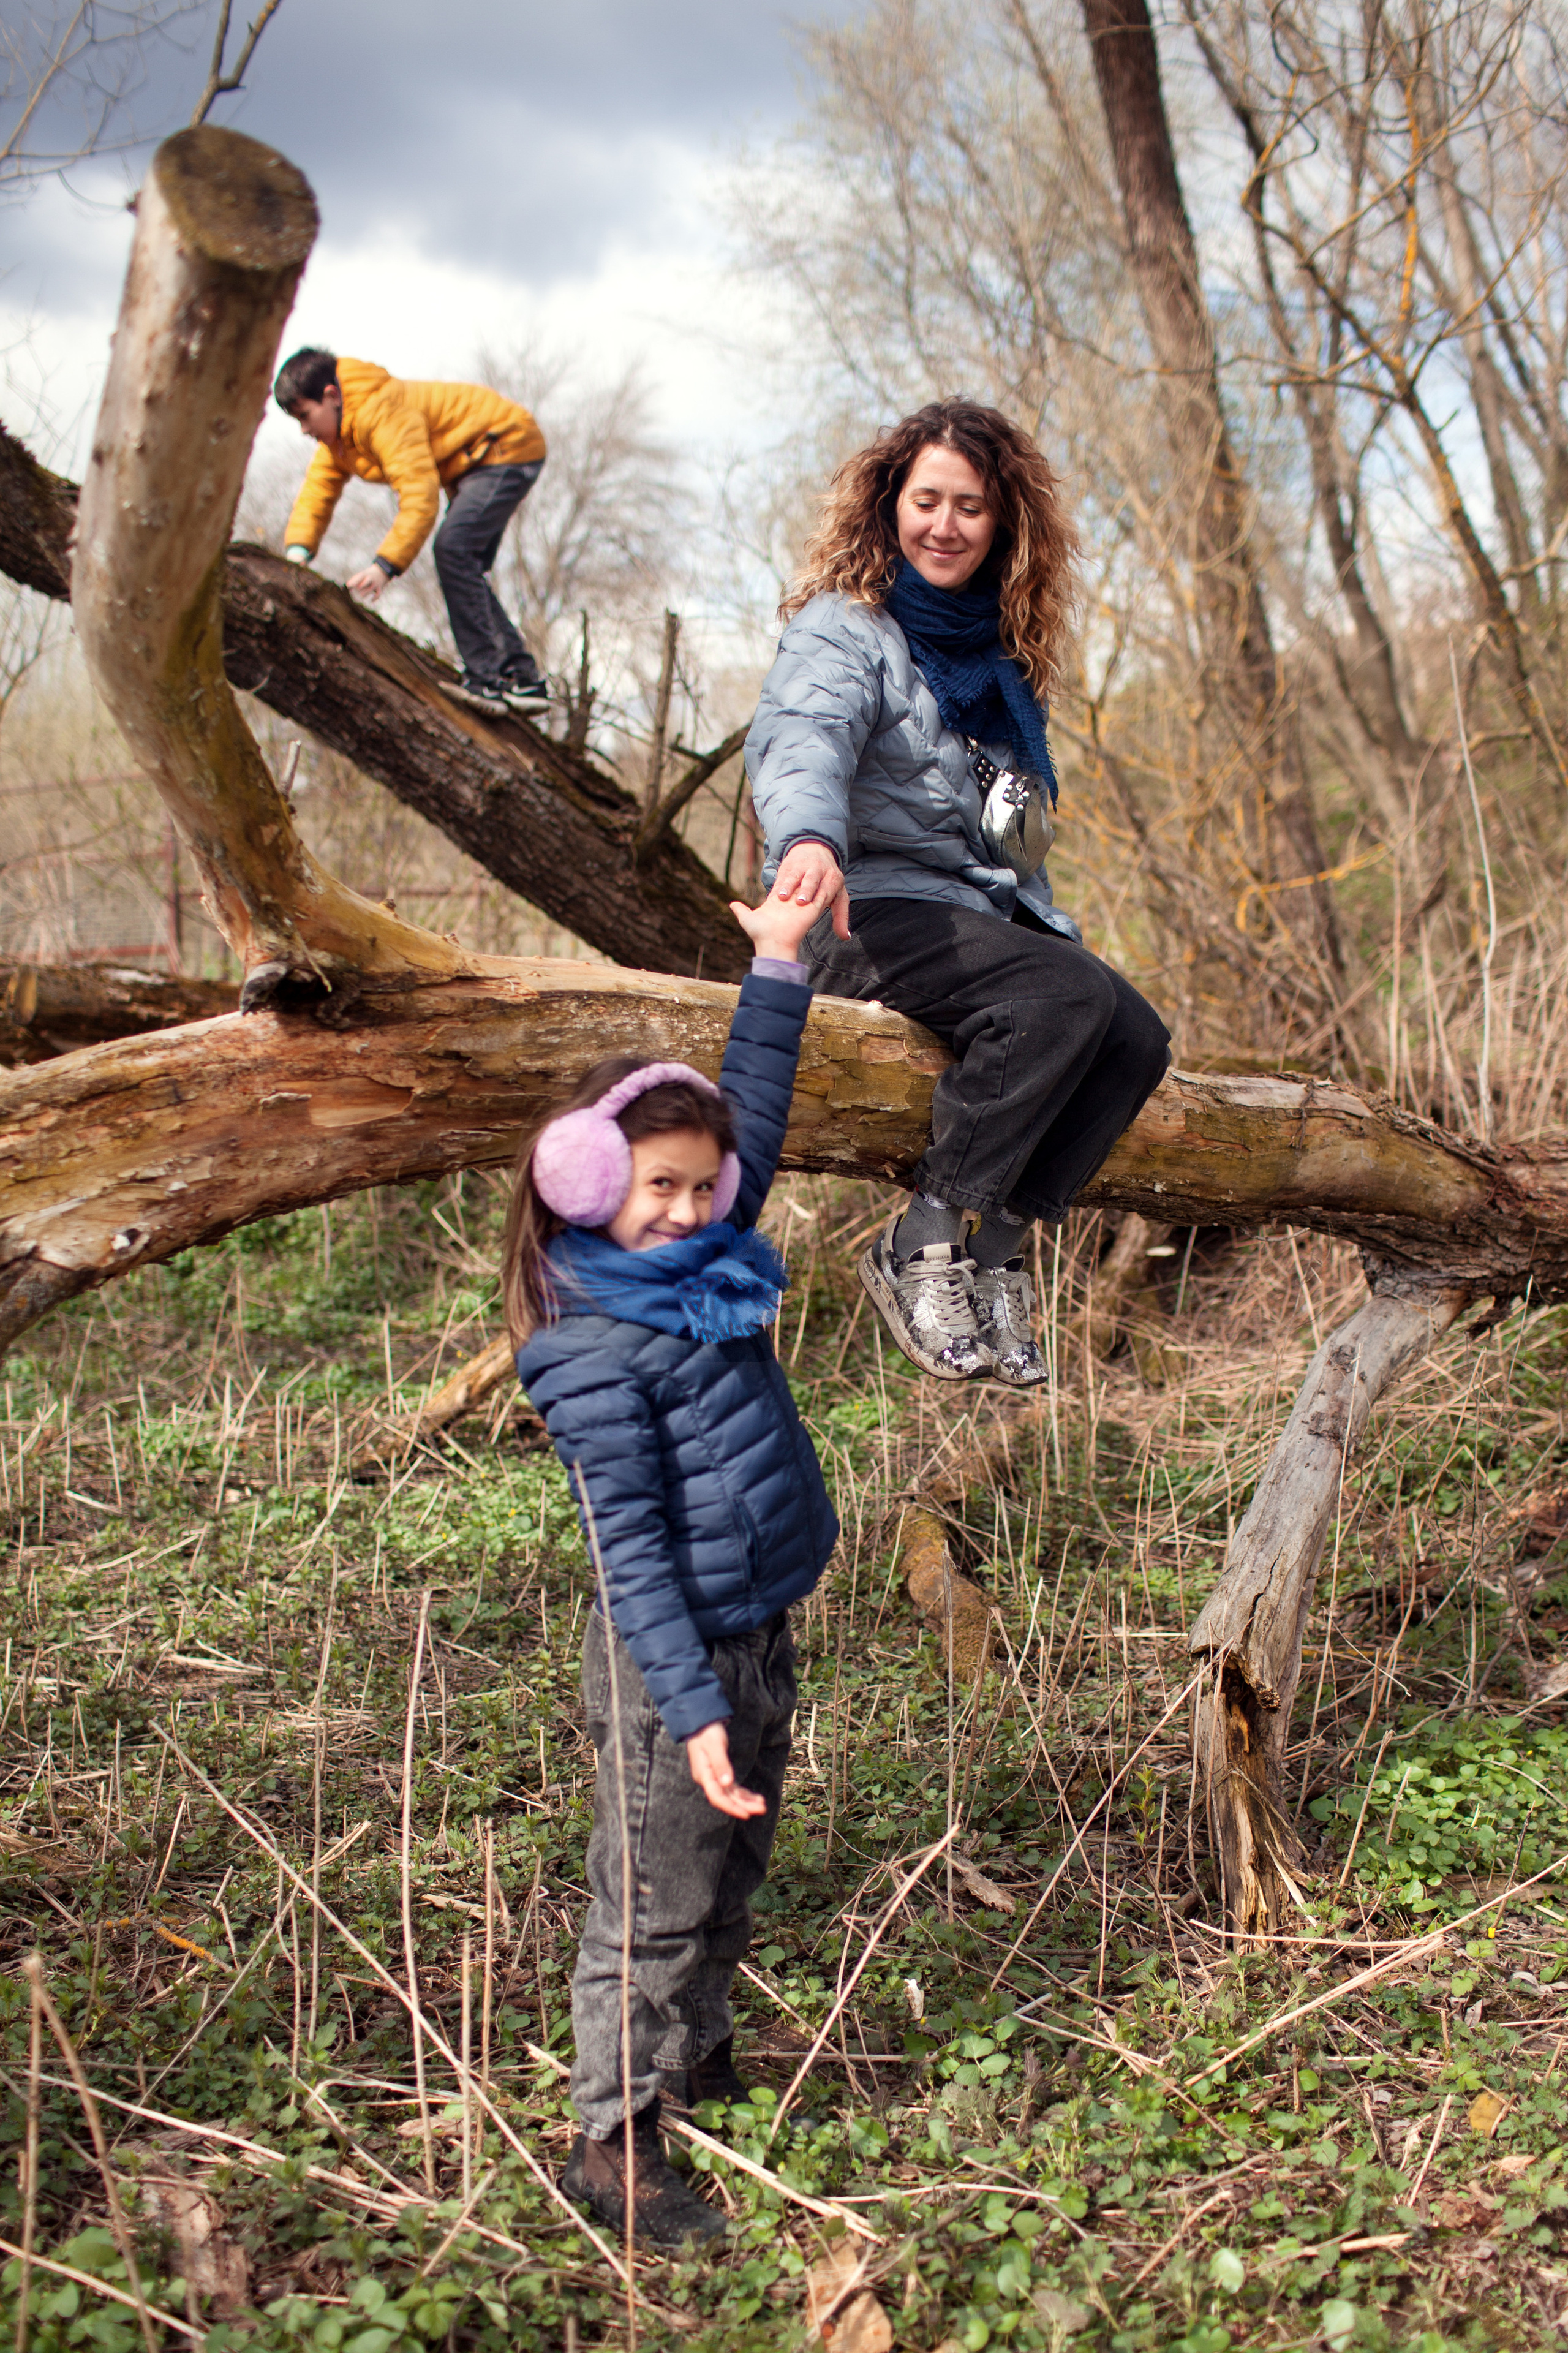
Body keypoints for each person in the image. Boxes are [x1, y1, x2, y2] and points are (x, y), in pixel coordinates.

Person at [505, 879, 836, 2249]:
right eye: (659, 1188)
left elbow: (747, 1110)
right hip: (673, 1659)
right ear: (585, 1185)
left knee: (730, 1868)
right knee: (651, 1894)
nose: (691, 1209)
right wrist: (691, 1710)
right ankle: (615, 2139)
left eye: (705, 1188)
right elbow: (627, 1552)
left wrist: (774, 967)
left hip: (755, 1624)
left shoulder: (705, 1262)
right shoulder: (585, 1346)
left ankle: (697, 2059)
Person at [745, 399, 1171, 1387]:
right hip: (860, 912)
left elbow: (1003, 837)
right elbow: (803, 735)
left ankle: (999, 1251)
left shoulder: (998, 665)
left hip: (966, 917)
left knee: (1135, 1036)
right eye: (926, 500)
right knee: (1063, 995)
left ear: (1003, 524)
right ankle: (920, 1238)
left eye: (969, 507)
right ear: (890, 505)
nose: (944, 524)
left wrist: (1043, 929)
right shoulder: (844, 630)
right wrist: (809, 839)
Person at [274, 348, 549, 716]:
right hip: (472, 463)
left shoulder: (381, 414)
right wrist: (297, 556)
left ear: (331, 396)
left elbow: (420, 499)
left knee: (454, 551)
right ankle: (523, 680)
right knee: (463, 564)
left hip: (503, 445)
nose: (305, 430)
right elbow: (317, 493)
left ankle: (488, 681)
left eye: (305, 416)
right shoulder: (340, 440)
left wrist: (384, 566)